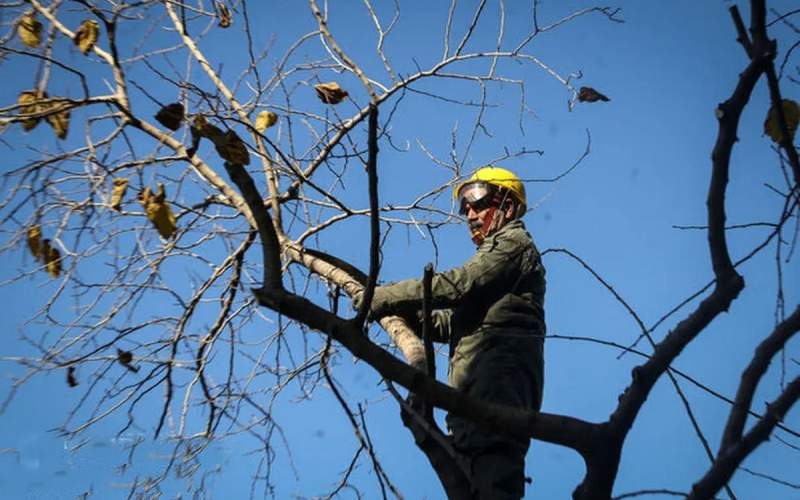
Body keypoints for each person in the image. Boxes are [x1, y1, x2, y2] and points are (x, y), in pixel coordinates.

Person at [355, 166, 546, 499]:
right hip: (473, 390)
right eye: (465, 207)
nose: (470, 214)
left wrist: (382, 296)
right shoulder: (496, 259)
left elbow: (458, 284)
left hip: (497, 384)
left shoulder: (514, 243)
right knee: (469, 477)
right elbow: (452, 323)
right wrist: (408, 312)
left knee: (492, 473)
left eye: (477, 201)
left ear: (508, 204)